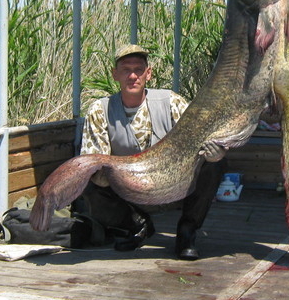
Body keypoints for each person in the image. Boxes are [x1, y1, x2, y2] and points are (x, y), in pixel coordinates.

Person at [74, 44, 227, 260]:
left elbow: (201, 137)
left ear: (149, 73)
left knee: (215, 164)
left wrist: (215, 152)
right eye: (126, 69)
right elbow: (93, 158)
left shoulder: (172, 101)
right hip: (127, 190)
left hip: (173, 186)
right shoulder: (100, 110)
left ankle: (187, 232)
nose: (133, 76)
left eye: (139, 69)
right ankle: (135, 225)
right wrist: (100, 175)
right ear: (115, 74)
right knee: (88, 181)